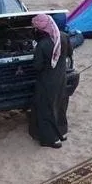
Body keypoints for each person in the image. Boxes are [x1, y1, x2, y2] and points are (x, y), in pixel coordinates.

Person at [29, 14, 71, 149]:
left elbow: (37, 66)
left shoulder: (42, 45)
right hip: (62, 78)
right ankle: (62, 132)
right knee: (60, 104)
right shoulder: (64, 37)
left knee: (45, 109)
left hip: (46, 82)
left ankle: (51, 139)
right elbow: (69, 53)